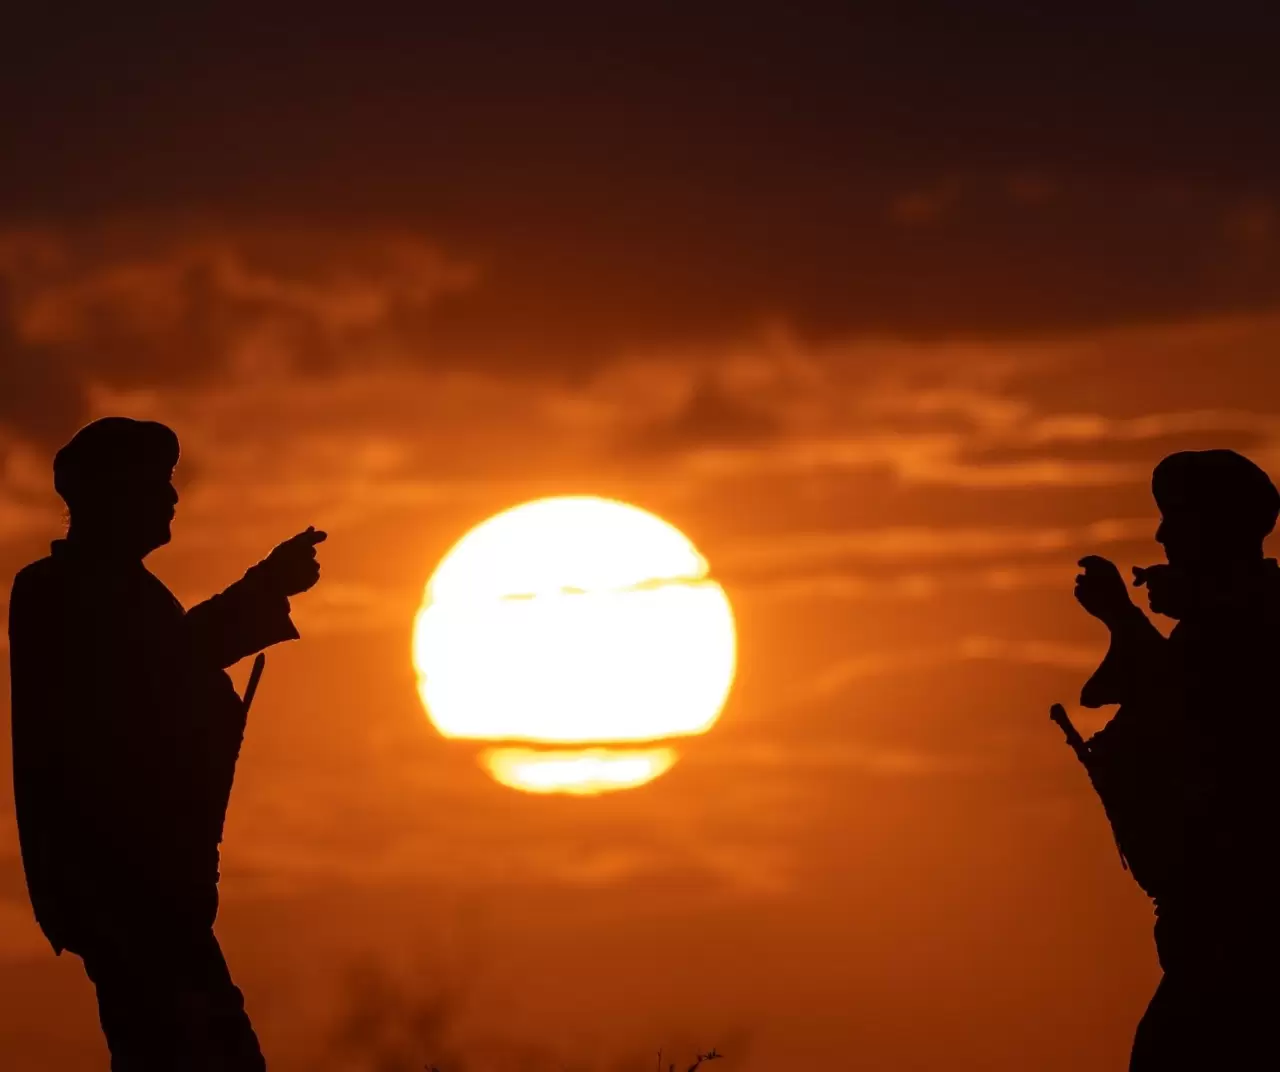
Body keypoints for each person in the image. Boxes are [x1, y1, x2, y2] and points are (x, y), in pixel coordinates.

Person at [7, 417, 326, 1070]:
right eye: (156, 483)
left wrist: (261, 589)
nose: (172, 497)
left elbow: (164, 661)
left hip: (150, 891)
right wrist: (263, 589)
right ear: (111, 495)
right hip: (125, 890)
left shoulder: (116, 594)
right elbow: (154, 670)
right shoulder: (59, 593)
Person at [1064, 448, 1280, 1070]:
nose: (1161, 535)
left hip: (1243, 940)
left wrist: (1125, 621)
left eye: (1177, 519)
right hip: (1210, 934)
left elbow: (1199, 710)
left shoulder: (1250, 623)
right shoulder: (1218, 621)